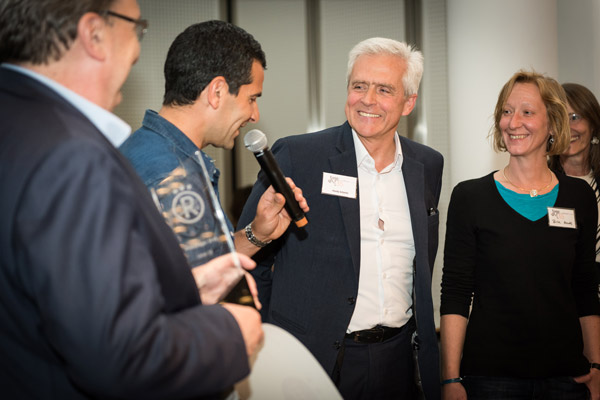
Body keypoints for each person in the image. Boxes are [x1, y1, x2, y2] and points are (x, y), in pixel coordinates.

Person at [0, 1, 264, 398]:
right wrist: (230, 333)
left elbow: (69, 296)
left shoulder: (18, 124)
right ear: (94, 33)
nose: (138, 49)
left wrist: (186, 290)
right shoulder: (73, 155)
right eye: (136, 26)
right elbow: (118, 356)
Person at [238, 37, 444, 400]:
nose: (367, 99)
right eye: (359, 86)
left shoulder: (427, 164)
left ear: (409, 102)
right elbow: (249, 260)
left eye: (384, 90)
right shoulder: (298, 156)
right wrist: (268, 341)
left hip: (399, 359)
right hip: (312, 359)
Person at [440, 70, 600, 400]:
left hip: (567, 377)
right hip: (490, 379)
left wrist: (597, 366)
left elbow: (585, 286)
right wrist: (450, 379)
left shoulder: (579, 196)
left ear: (553, 124)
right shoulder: (470, 197)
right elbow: (456, 291)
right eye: (507, 111)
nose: (513, 123)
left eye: (527, 112)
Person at [119, 20, 308, 266]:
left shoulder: (151, 152)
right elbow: (196, 285)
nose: (255, 115)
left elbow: (206, 264)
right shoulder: (172, 175)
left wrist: (257, 233)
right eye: (251, 99)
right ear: (217, 92)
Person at [549, 83, 600, 296]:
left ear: (593, 124)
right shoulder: (543, 186)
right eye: (559, 119)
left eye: (575, 117)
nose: (567, 127)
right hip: (562, 299)